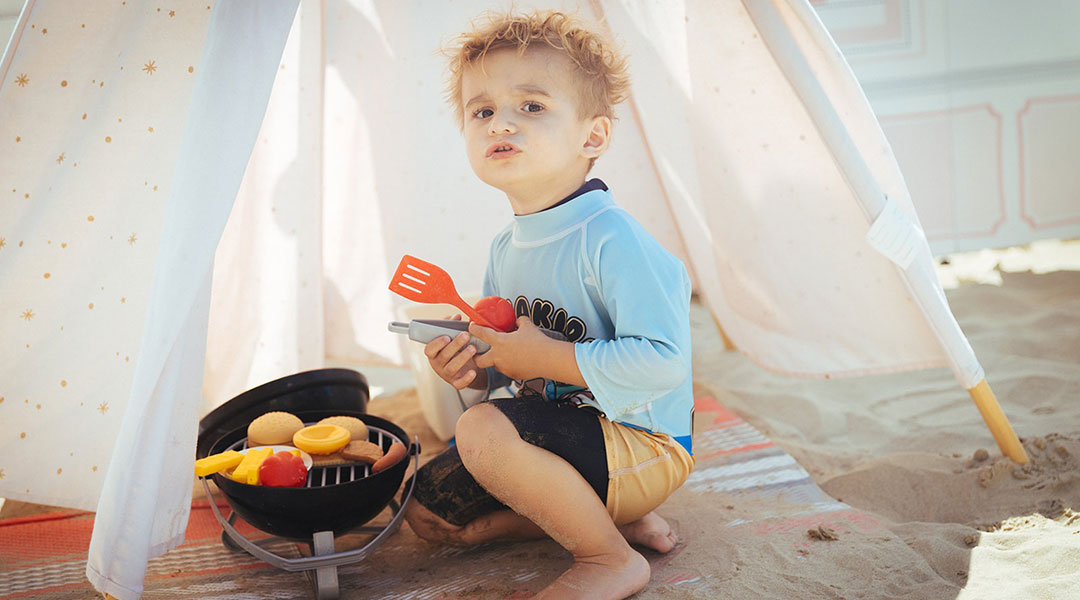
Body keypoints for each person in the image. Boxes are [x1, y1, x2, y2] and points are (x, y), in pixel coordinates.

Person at [403, 10, 695, 600]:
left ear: (592, 136)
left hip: (641, 442)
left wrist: (548, 356)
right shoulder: (506, 248)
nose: (499, 122)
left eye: (531, 106)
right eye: (481, 111)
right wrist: (471, 366)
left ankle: (608, 557)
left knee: (481, 432)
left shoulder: (614, 239)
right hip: (566, 432)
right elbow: (505, 375)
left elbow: (664, 363)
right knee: (428, 508)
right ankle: (613, 520)